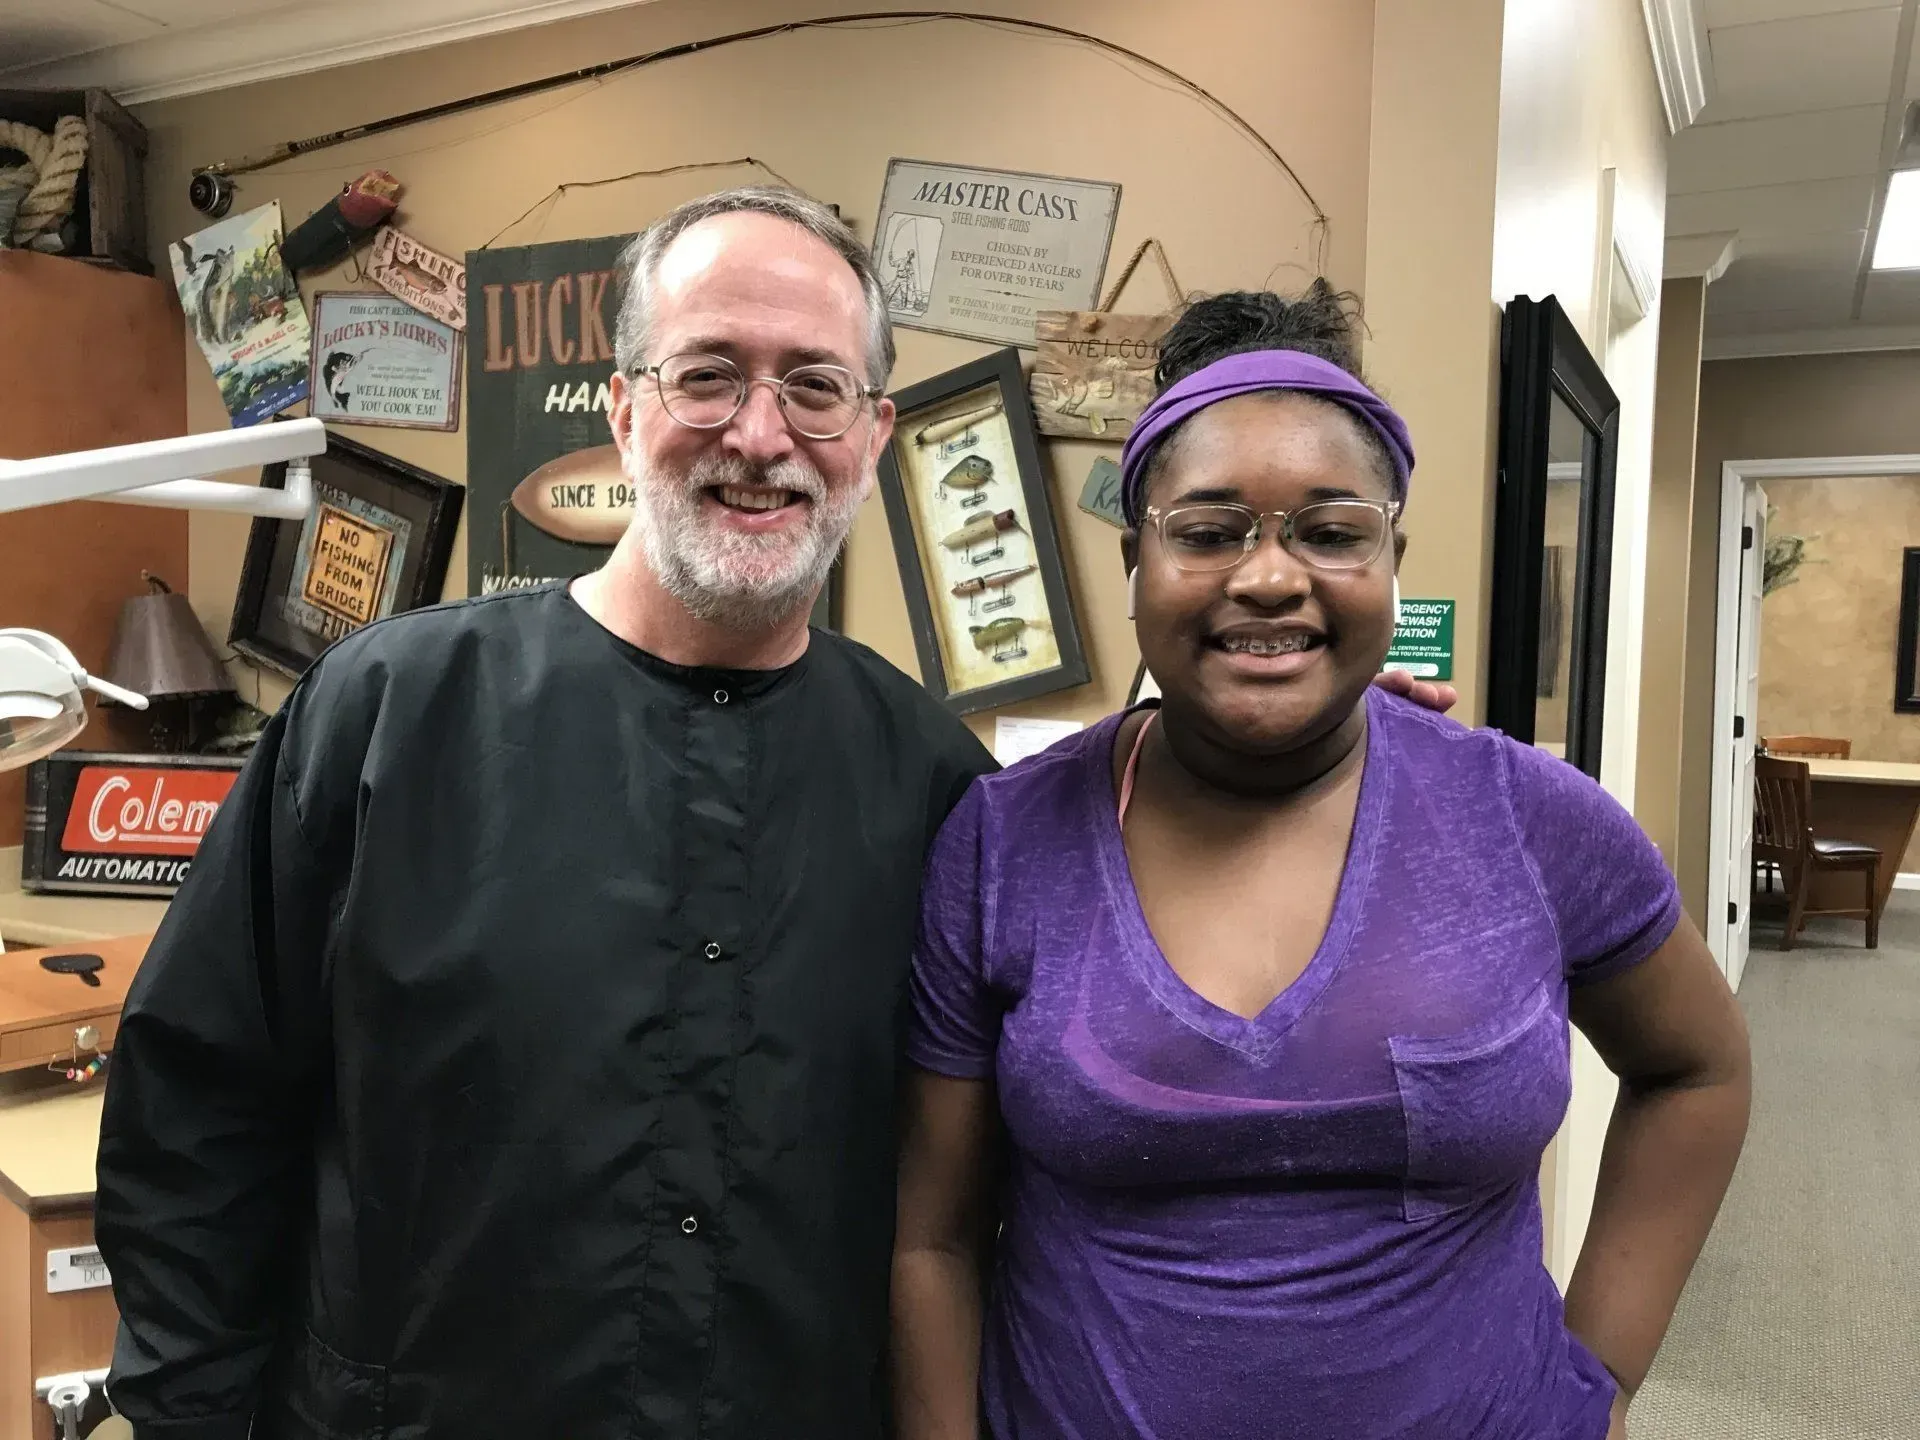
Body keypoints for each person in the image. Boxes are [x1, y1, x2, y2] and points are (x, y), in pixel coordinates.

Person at [94, 191, 1453, 1439]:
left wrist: (1310, 721)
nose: (760, 435)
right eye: (707, 375)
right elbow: (197, 1113)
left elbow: (1055, 1111)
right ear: (624, 408)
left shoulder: (943, 793)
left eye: (814, 386)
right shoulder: (386, 718)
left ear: (873, 435)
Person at [893, 286, 1753, 1440]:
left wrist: (1600, 1379)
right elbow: (935, 1239)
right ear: (1135, 562)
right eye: (1208, 532)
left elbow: (1698, 1069)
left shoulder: (1531, 819)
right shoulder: (1003, 840)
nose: (1268, 577)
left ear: (1392, 558)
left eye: (1332, 532)